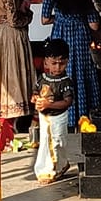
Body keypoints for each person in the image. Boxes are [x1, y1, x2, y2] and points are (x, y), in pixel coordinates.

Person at [41, 0, 101, 121]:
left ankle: (60, 115)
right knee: (82, 75)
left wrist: (59, 19)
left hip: (60, 34)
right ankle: (83, 116)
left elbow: (44, 19)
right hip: (81, 36)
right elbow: (94, 26)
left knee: (60, 72)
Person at [32, 38, 75, 182]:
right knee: (46, 142)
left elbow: (67, 102)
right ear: (46, 62)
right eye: (54, 63)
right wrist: (35, 99)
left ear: (67, 62)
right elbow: (36, 92)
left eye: (62, 64)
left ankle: (61, 164)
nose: (58, 67)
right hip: (45, 117)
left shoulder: (65, 82)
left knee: (58, 142)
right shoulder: (42, 79)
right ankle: (48, 170)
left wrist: (48, 105)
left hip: (59, 117)